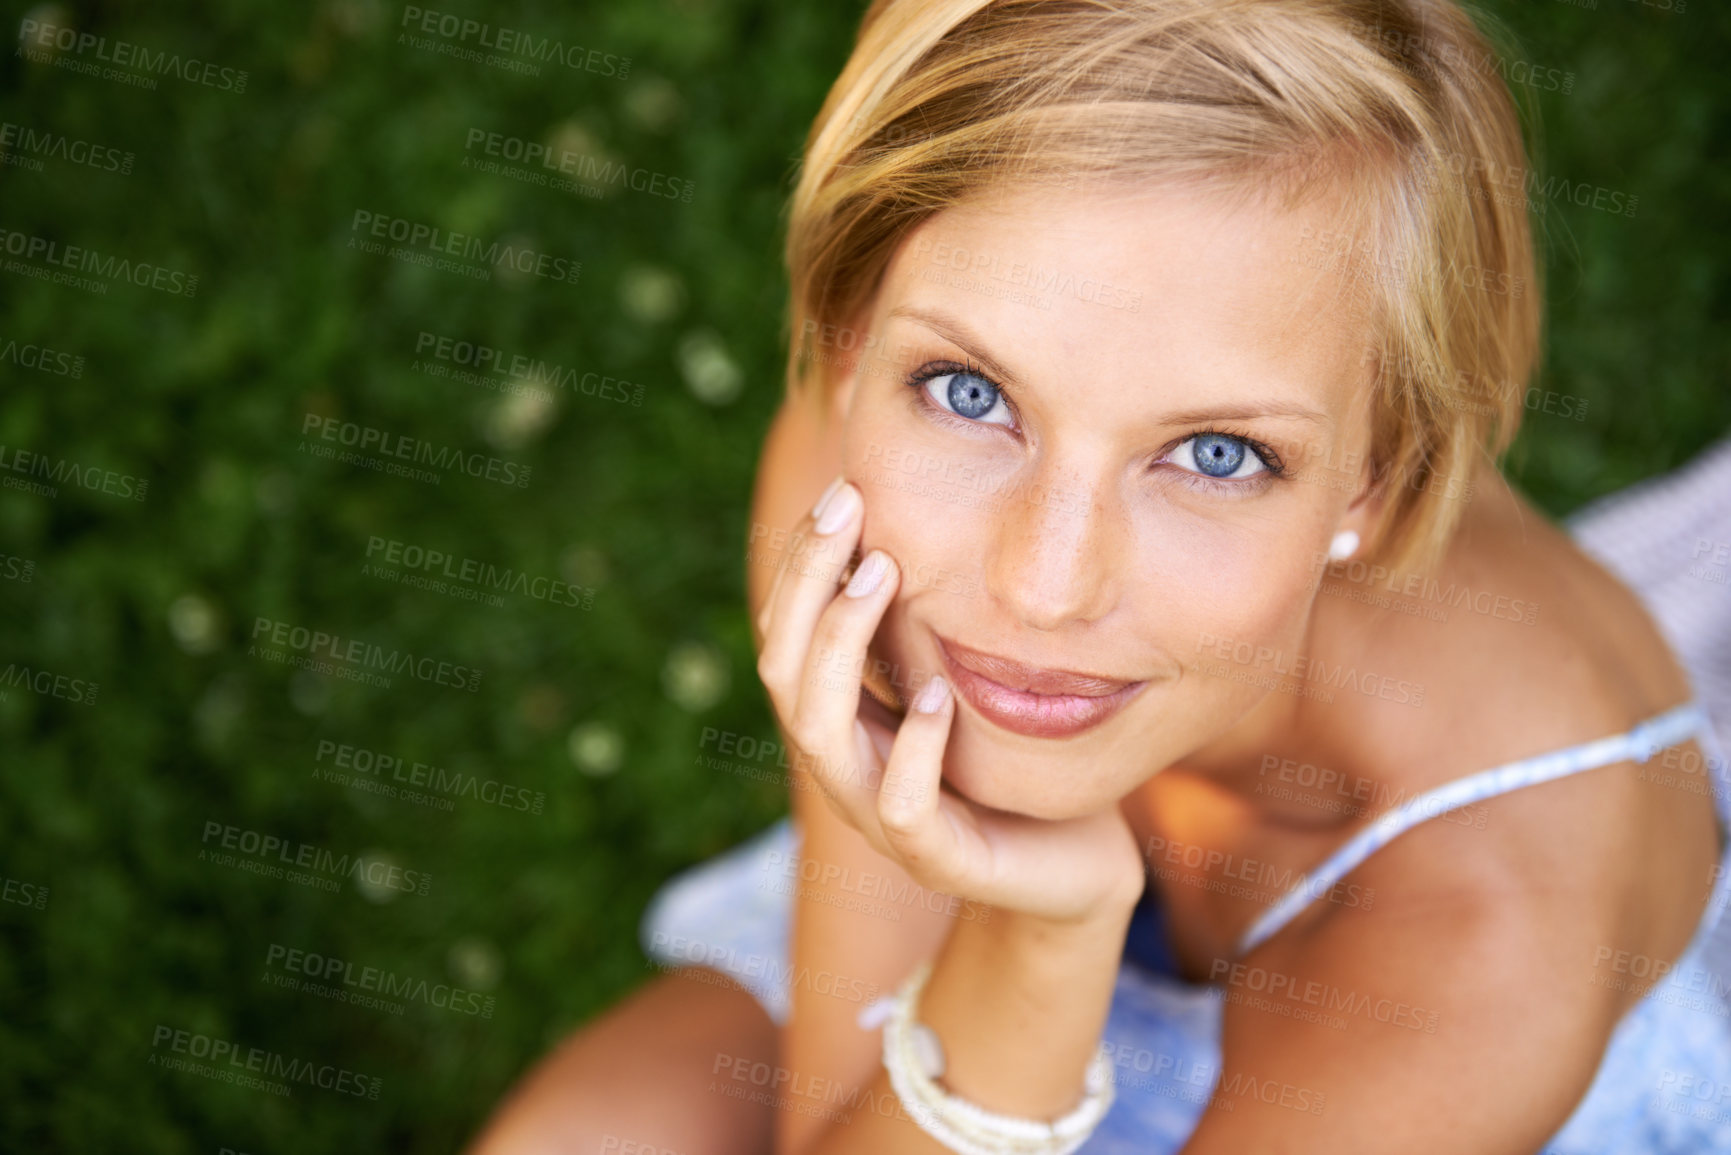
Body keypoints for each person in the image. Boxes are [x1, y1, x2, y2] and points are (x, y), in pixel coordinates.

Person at [467, 0, 1731, 1151]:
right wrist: (1032, 942)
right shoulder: (863, 472)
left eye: (1216, 453)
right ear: (849, 347)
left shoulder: (1491, 921)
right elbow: (829, 1119)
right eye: (975, 395)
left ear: (1373, 481)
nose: (1046, 589)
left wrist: (1046, 931)